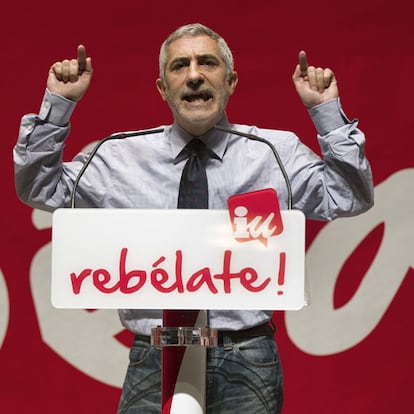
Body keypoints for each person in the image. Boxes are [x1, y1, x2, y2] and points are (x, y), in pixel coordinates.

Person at [14, 23, 374, 414]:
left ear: (231, 80)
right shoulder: (117, 157)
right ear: (162, 88)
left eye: (207, 63)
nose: (195, 75)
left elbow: (349, 195)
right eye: (179, 66)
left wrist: (326, 114)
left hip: (246, 355)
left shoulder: (275, 153)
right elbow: (38, 189)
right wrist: (57, 108)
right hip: (154, 354)